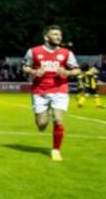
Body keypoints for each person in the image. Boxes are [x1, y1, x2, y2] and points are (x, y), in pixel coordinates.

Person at [22, 25, 80, 162]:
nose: (58, 37)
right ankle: (45, 115)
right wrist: (34, 72)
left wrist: (67, 72)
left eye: (59, 35)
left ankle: (56, 150)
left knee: (58, 120)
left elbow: (77, 70)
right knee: (41, 125)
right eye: (54, 34)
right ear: (46, 37)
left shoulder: (67, 53)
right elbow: (25, 66)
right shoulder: (33, 51)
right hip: (39, 91)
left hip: (60, 90)